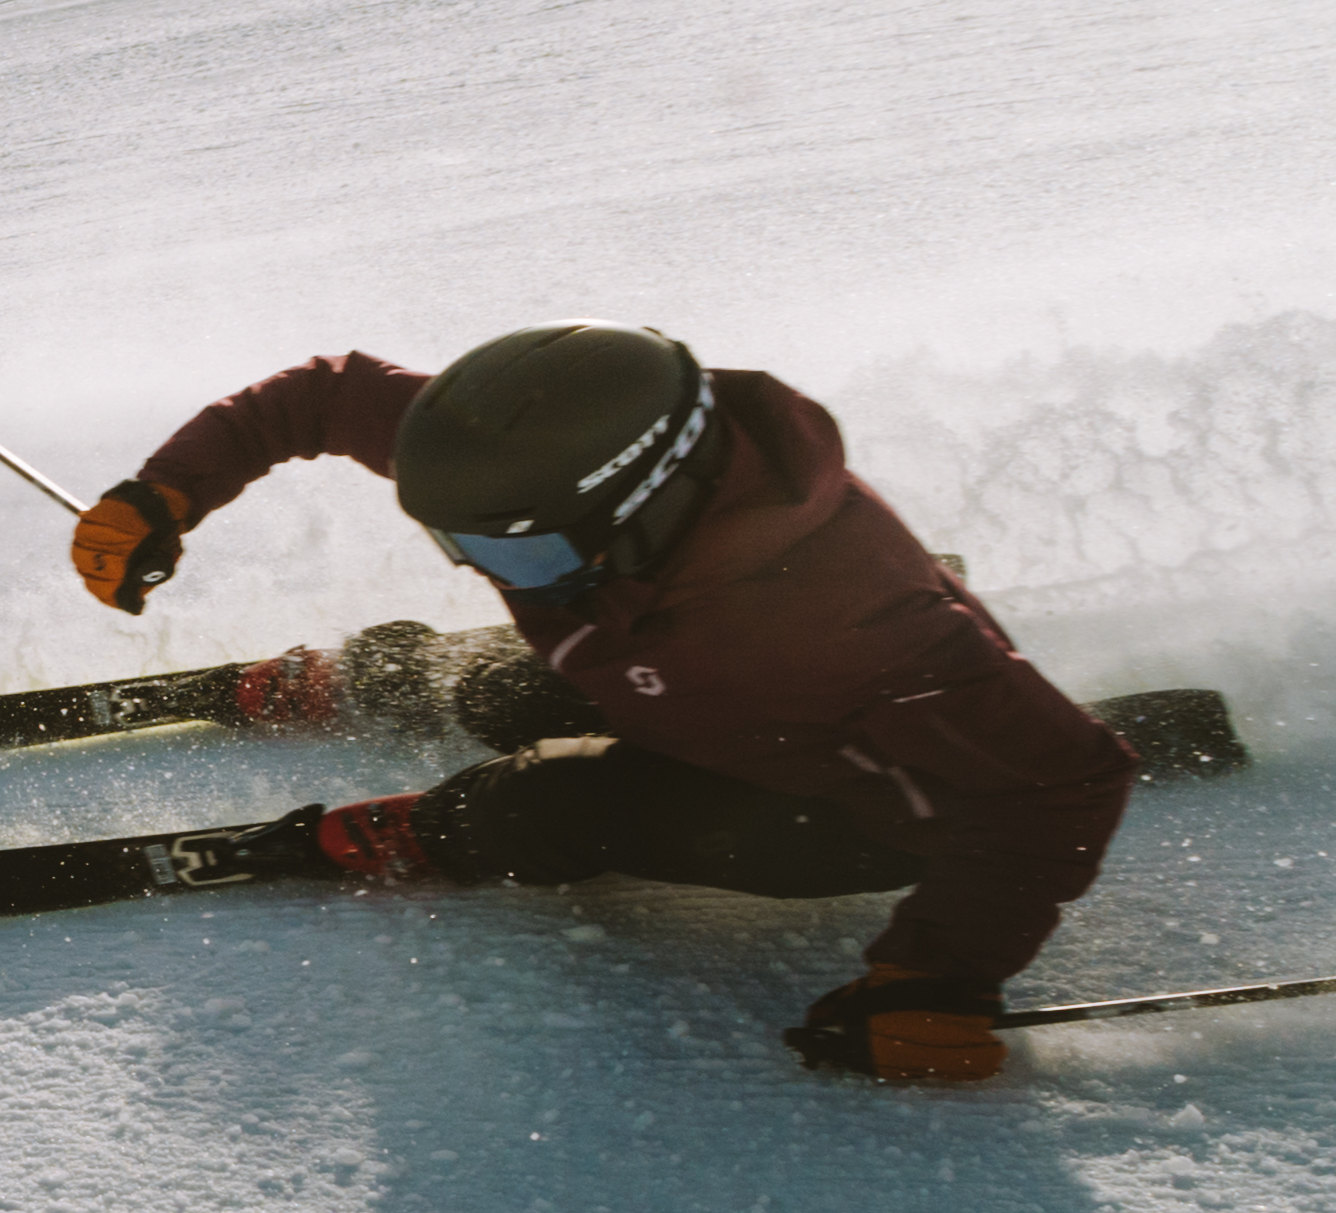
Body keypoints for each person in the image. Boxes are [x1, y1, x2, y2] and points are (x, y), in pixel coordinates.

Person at [63, 323, 1135, 1085]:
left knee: (555, 805)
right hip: (661, 669)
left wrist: (938, 975)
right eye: (461, 544)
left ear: (642, 501)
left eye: (498, 547)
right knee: (502, 682)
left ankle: (434, 826)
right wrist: (165, 492)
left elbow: (1069, 778)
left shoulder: (862, 622)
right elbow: (329, 393)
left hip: (830, 810)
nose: (484, 565)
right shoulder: (542, 466)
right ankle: (393, 678)